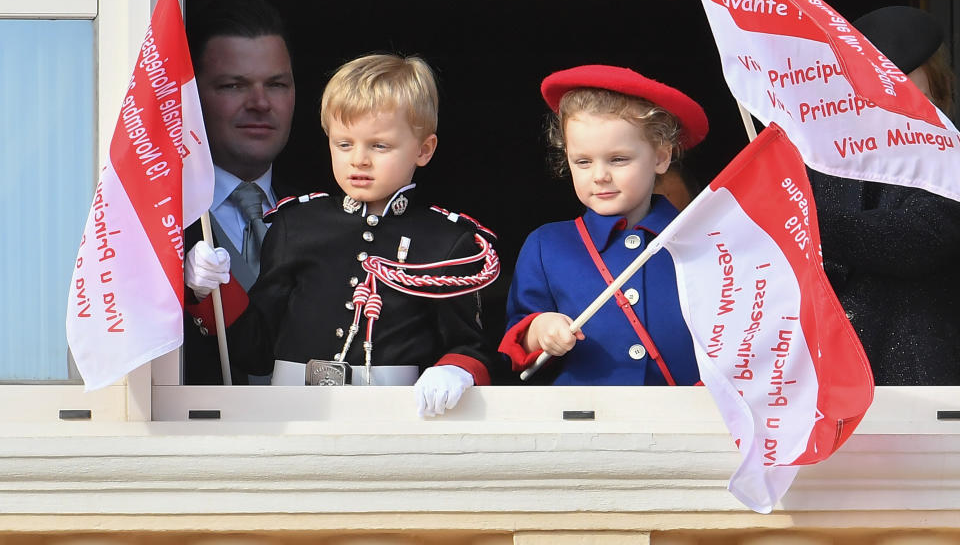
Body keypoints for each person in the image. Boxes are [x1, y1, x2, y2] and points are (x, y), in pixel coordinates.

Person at [186, 53, 501, 416]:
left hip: (394, 418)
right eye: (344, 144)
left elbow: (470, 345)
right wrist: (211, 288)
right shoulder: (297, 226)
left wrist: (455, 369)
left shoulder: (447, 242)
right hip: (293, 414)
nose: (359, 160)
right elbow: (254, 350)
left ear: (424, 149)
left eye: (379, 145)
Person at [499, 64, 708, 385]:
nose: (599, 175)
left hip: (689, 422)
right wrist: (541, 330)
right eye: (583, 161)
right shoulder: (547, 245)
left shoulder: (705, 241)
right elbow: (517, 340)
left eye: (618, 159)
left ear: (661, 156)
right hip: (582, 425)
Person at [808, 5, 960, 386]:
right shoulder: (822, 163)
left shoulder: (951, 160)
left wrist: (808, 223)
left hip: (925, 382)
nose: (896, 111)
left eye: (910, 95)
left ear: (936, 90)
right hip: (833, 381)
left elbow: (921, 238)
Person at [182, 0, 298, 385]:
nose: (260, 103)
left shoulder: (325, 211)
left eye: (277, 84)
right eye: (234, 86)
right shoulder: (157, 223)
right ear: (193, 97)